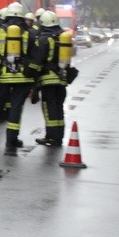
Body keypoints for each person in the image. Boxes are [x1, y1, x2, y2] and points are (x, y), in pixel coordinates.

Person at [0, 1, 40, 155]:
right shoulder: (30, 34)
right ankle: (12, 140)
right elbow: (37, 56)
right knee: (16, 107)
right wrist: (31, 73)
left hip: (3, 76)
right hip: (23, 79)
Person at [29, 10, 73, 146]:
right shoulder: (62, 37)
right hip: (62, 79)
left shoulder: (44, 39)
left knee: (49, 109)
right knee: (59, 108)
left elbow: (39, 61)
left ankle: (51, 137)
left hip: (48, 80)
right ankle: (58, 136)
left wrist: (34, 83)